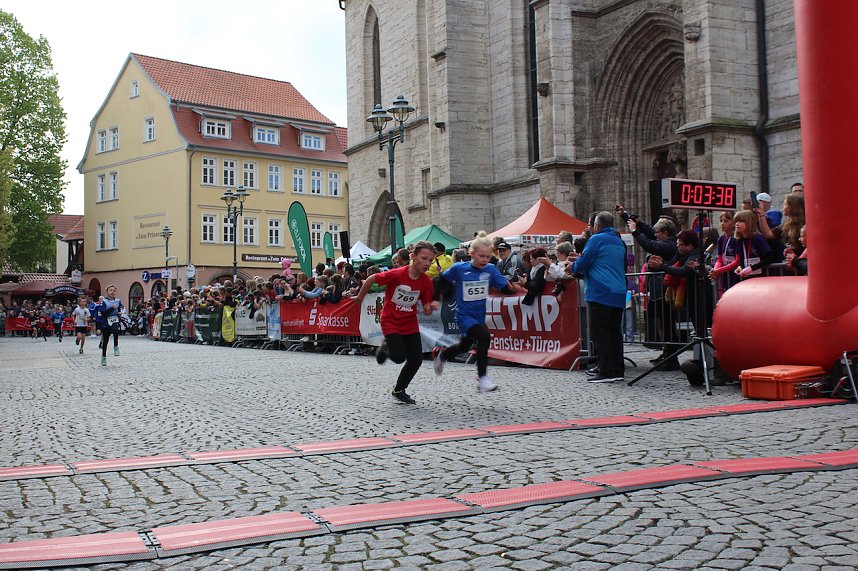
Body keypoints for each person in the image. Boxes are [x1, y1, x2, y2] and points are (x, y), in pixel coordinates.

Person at [432, 233, 526, 393]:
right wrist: (436, 298)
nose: (484, 260)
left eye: (488, 257)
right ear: (471, 253)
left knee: (464, 346)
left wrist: (513, 289)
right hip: (463, 316)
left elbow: (503, 288)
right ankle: (482, 378)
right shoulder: (459, 268)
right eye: (481, 256)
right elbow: (441, 279)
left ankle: (443, 355)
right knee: (484, 336)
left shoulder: (490, 269)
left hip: (479, 316)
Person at [353, 241, 440, 404]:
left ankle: (399, 389)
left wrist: (431, 307)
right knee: (399, 357)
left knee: (416, 360)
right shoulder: (397, 274)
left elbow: (426, 309)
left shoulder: (426, 282)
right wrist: (359, 298)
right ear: (413, 257)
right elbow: (371, 278)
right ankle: (386, 346)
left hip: (409, 323)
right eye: (424, 258)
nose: (427, 263)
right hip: (391, 320)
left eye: (430, 260)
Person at [570, 211, 627, 383]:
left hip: (601, 291)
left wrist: (573, 266)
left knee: (601, 333)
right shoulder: (619, 241)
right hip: (618, 291)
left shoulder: (596, 239)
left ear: (597, 226)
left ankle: (606, 371)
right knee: (614, 333)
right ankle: (617, 370)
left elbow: (585, 263)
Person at [98, 285, 124, 366]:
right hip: (106, 322)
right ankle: (103, 357)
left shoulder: (118, 300)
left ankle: (116, 346)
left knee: (116, 330)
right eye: (110, 290)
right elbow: (102, 313)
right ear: (107, 291)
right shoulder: (104, 302)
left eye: (114, 290)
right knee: (105, 341)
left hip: (115, 320)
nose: (112, 292)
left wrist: (120, 313)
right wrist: (112, 309)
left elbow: (119, 308)